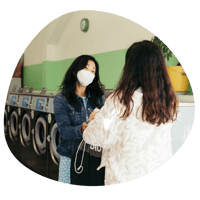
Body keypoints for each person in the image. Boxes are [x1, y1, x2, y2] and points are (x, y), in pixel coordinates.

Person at [82, 40, 179, 186]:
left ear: (130, 67)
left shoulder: (120, 100)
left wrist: (91, 124)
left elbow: (97, 136)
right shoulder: (169, 101)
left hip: (124, 176)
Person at [53, 55, 105, 184]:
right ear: (75, 71)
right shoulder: (61, 99)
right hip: (70, 155)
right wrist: (82, 127)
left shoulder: (98, 98)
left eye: (93, 71)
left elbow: (105, 127)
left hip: (93, 156)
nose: (89, 73)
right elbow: (64, 131)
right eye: (86, 69)